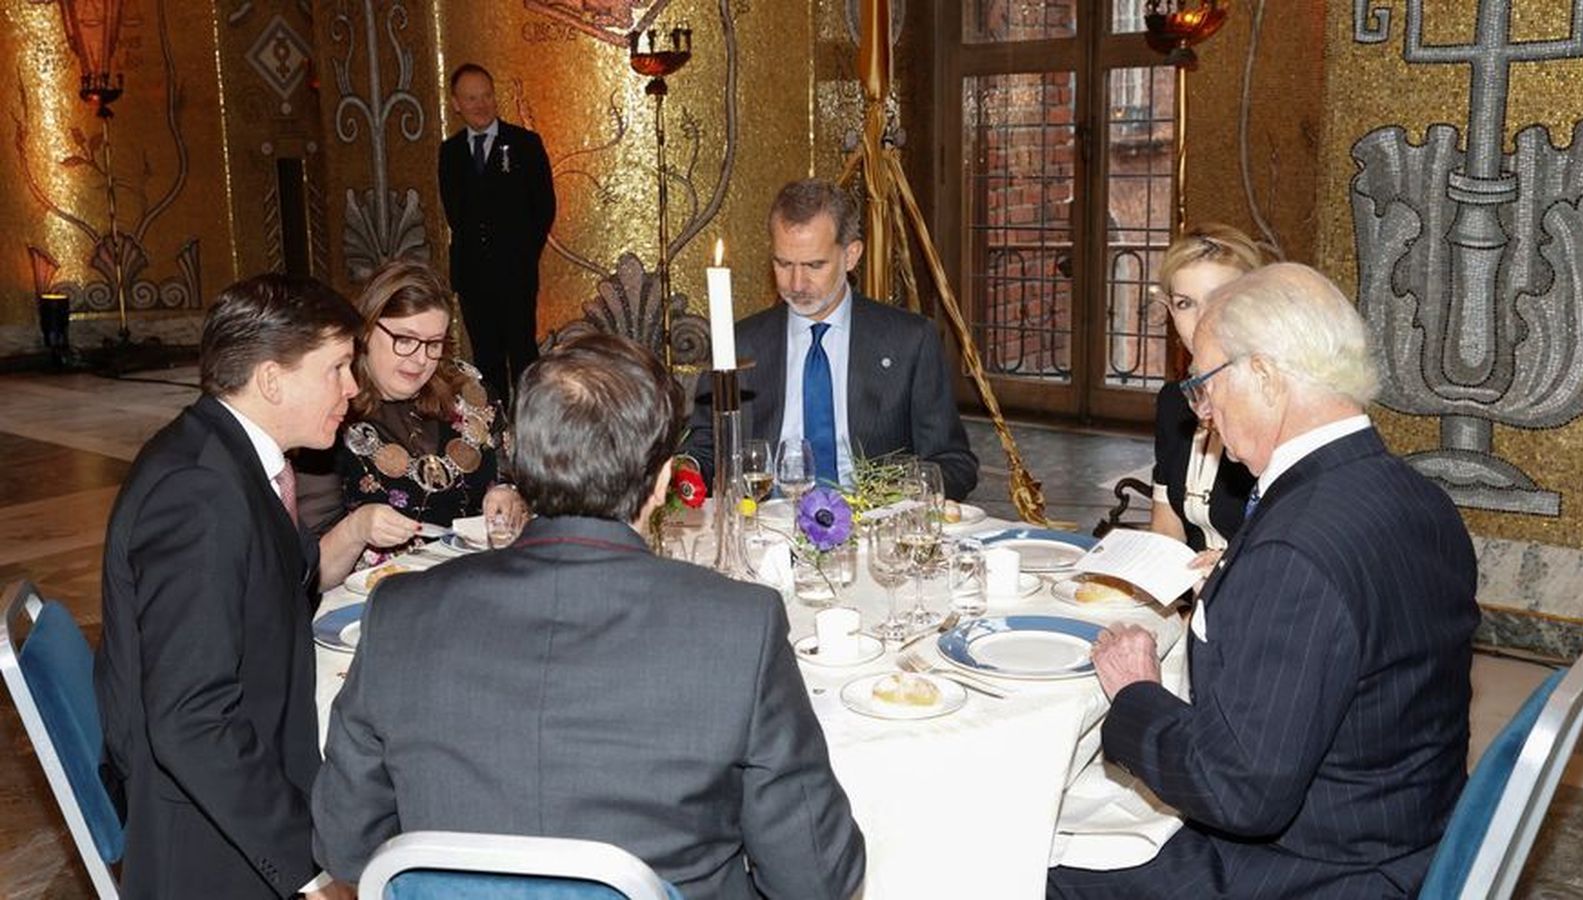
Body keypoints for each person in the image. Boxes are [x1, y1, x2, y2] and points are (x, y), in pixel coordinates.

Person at [312, 333, 866, 899]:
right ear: (660, 483)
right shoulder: (739, 629)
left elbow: (346, 845)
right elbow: (815, 879)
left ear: (521, 468)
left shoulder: (400, 613)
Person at [1047, 263, 1480, 899]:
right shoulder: (1419, 498)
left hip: (1316, 873)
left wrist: (1136, 694)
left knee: (1015, 858)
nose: (1205, 412)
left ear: (1264, 377)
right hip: (1401, 829)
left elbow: (1239, 793)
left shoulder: (1295, 552)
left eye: (1204, 384)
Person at [96, 275, 361, 899]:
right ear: (272, 379)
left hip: (256, 762)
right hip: (209, 842)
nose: (352, 389)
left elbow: (275, 582)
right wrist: (308, 867)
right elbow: (191, 721)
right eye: (338, 368)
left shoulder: (230, 456)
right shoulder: (201, 495)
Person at [687, 178, 978, 500]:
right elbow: (706, 450)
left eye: (814, 265)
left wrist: (901, 496)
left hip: (870, 527)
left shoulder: (910, 341)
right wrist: (681, 471)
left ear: (851, 255)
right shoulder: (739, 344)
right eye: (783, 263)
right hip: (765, 524)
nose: (797, 283)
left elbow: (953, 463)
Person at [305, 260, 524, 587]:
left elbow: (517, 479)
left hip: (480, 587)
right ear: (366, 329)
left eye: (434, 344)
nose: (421, 359)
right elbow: (309, 575)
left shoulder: (470, 392)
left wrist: (511, 495)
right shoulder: (328, 412)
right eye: (405, 340)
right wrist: (356, 529)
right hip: (370, 611)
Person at [438, 62, 557, 404]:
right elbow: (455, 213)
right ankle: (493, 434)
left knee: (522, 354)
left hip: (516, 274)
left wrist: (521, 255)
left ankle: (531, 427)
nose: (481, 104)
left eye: (487, 96)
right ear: (457, 103)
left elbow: (544, 207)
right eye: (471, 98)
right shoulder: (450, 152)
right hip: (473, 275)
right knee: (486, 359)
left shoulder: (525, 143)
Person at [1150, 225, 1262, 559]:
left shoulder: (1277, 406)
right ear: (1171, 312)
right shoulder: (1174, 402)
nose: (1202, 319)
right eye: (1185, 303)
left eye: (1219, 300)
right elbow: (1166, 532)